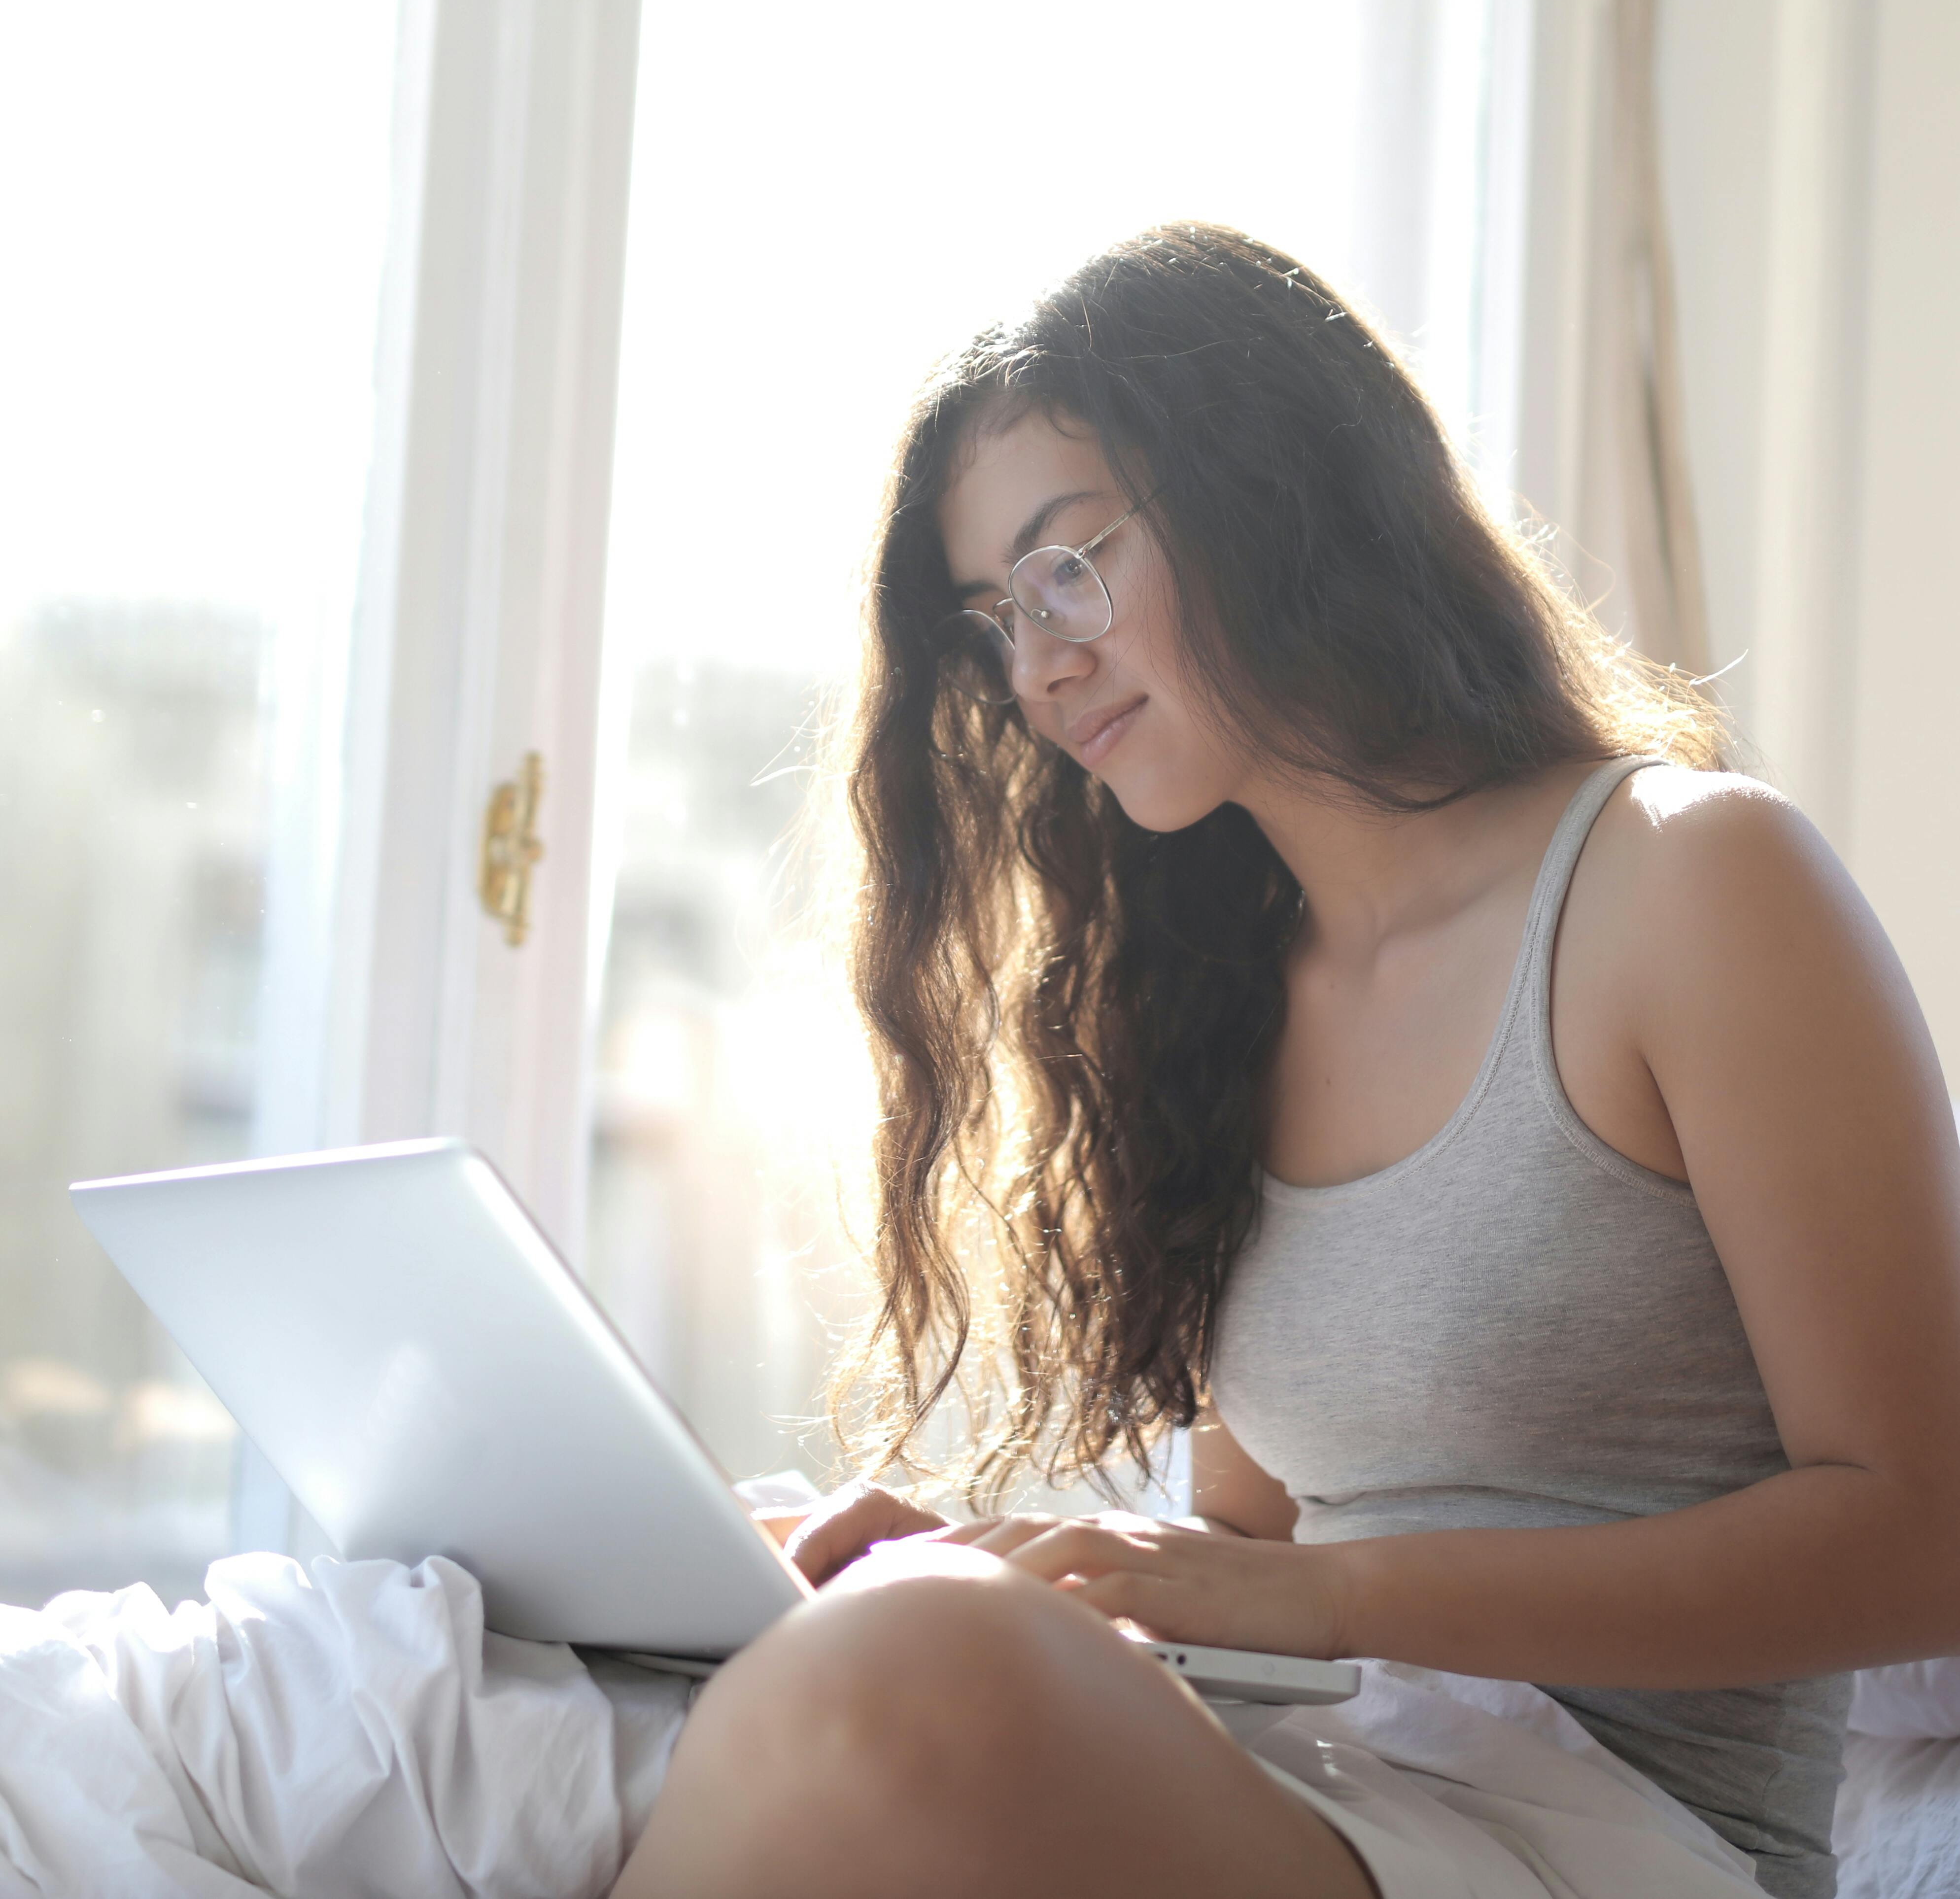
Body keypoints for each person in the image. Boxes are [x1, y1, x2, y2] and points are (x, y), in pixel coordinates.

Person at [611, 224, 1960, 1899]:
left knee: (912, 1681)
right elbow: (1252, 1552)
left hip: (1626, 1839)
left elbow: (1924, 1534)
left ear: (1270, 490)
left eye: (1065, 572)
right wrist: (1005, 1562)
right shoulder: (1218, 996)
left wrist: (1328, 1597)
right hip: (1338, 1767)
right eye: (990, 622)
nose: (1034, 667)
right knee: (695, 1671)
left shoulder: (1690, 883)